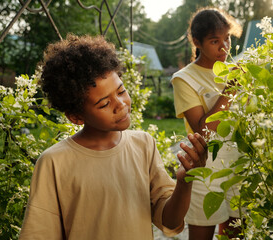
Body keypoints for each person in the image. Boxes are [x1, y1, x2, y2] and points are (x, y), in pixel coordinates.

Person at [19, 34, 208, 240]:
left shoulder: (144, 145)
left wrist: (184, 181)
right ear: (76, 116)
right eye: (104, 104)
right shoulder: (54, 162)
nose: (120, 104)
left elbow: (170, 221)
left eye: (121, 91)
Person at [171, 8, 243, 240]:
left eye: (227, 38)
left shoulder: (235, 70)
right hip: (205, 167)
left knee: (235, 235)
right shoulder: (184, 78)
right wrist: (230, 89)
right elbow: (203, 130)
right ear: (197, 42)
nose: (225, 47)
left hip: (238, 165)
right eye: (215, 41)